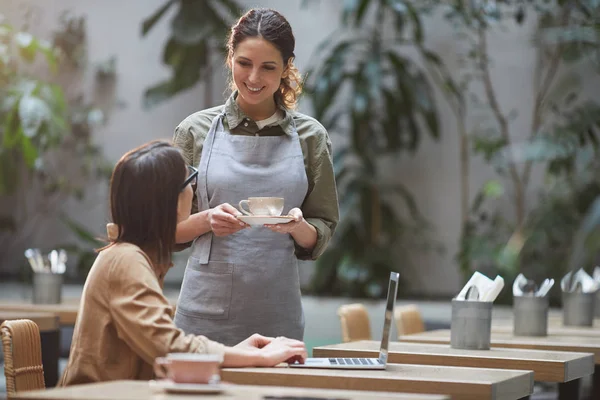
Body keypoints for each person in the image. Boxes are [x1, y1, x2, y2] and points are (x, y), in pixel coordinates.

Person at [59, 141, 307, 386]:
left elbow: (158, 350)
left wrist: (238, 352)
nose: (194, 190)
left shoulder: (130, 255)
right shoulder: (126, 261)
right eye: (190, 183)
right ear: (175, 201)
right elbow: (168, 346)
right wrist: (257, 357)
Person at [173, 8, 339, 346]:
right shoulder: (194, 132)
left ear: (286, 67)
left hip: (277, 312)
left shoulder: (311, 137)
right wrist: (207, 220)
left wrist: (298, 226)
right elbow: (167, 232)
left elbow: (320, 233)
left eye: (268, 67)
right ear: (230, 57)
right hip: (204, 314)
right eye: (244, 63)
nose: (253, 78)